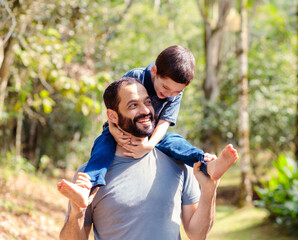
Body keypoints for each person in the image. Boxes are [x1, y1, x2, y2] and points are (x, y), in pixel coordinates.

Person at [58, 77, 238, 239]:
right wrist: (77, 213)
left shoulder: (178, 162)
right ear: (113, 116)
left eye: (147, 102)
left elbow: (197, 234)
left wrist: (209, 189)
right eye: (133, 105)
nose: (145, 110)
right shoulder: (89, 177)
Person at [60, 45, 237, 208]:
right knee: (102, 149)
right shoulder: (135, 77)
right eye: (166, 87)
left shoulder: (174, 94)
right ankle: (86, 187)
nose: (169, 95)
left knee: (177, 143)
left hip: (151, 133)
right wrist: (113, 130)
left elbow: (164, 122)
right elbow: (115, 106)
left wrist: (149, 145)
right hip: (119, 127)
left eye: (177, 92)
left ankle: (209, 166)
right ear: (154, 71)